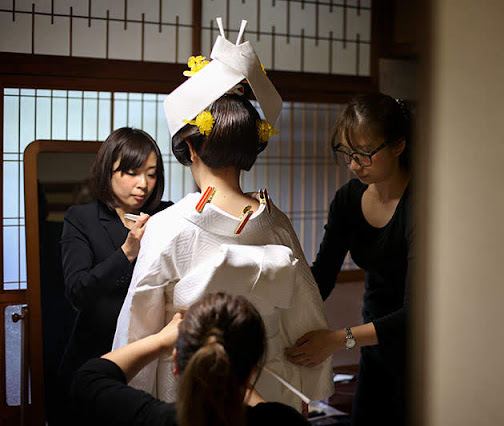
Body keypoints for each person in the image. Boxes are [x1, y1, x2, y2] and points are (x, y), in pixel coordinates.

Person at [112, 19, 333, 410]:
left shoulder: (167, 227)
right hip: (266, 379)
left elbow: (139, 327)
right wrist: (309, 392)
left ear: (192, 149)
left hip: (191, 379)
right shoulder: (276, 222)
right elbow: (306, 317)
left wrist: (133, 404)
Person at [285, 93, 413, 425]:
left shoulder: (421, 204)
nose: (355, 165)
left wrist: (338, 339)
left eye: (366, 154)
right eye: (347, 153)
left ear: (398, 146)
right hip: (376, 345)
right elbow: (322, 276)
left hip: (423, 348)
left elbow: (419, 313)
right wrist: (279, 306)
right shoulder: (348, 200)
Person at [72, 292, 310, 426]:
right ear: (251, 371)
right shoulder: (284, 423)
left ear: (175, 362)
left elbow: (90, 378)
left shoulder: (155, 419)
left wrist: (160, 341)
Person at [59, 127, 172, 407]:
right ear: (108, 171)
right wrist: (126, 253)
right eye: (132, 172)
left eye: (151, 173)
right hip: (96, 355)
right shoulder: (81, 218)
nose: (143, 184)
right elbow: (78, 292)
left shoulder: (167, 214)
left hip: (151, 353)